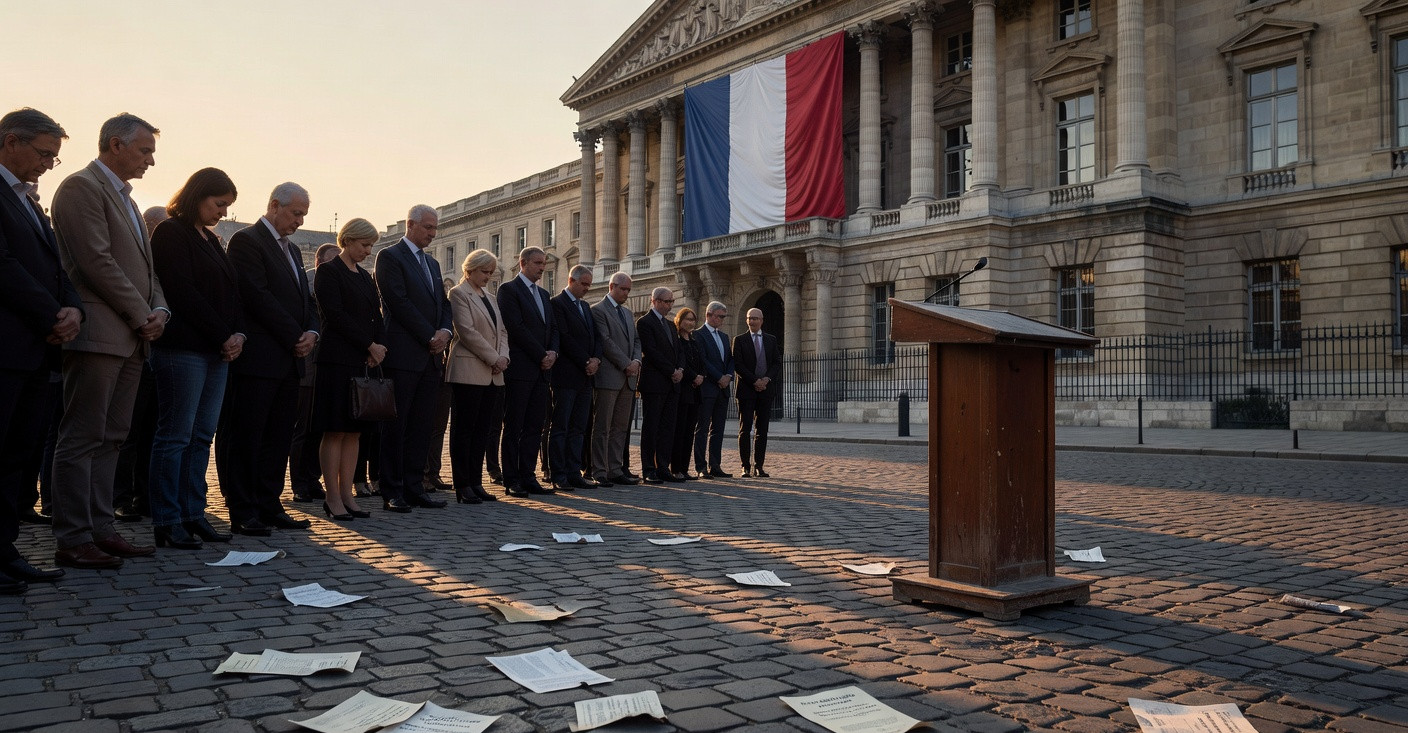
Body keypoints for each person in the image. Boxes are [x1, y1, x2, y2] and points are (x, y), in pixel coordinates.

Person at [49, 112, 168, 569]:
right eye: (145, 151)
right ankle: (73, 536)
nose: (151, 162)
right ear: (115, 145)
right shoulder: (81, 187)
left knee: (114, 436)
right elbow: (94, 262)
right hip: (100, 333)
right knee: (82, 436)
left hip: (134, 336)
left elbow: (147, 269)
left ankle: (101, 528)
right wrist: (142, 314)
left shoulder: (128, 199)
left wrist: (160, 309)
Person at [0, 107, 81, 593]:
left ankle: (4, 548)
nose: (49, 165)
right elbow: (4, 265)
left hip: (36, 351)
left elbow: (57, 268)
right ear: (12, 141)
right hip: (8, 346)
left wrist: (73, 308)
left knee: (18, 456)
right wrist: (53, 313)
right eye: (44, 154)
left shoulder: (29, 201)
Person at [146, 168, 244, 550]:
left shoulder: (213, 240)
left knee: (201, 436)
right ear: (198, 196)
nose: (222, 212)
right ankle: (167, 519)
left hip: (216, 352)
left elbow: (232, 294)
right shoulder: (172, 232)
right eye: (219, 204)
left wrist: (238, 334)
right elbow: (183, 292)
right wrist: (224, 334)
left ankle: (193, 513)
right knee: (175, 436)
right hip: (182, 349)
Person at [215, 182, 319, 536]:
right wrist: (295, 335)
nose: (300, 221)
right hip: (259, 360)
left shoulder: (291, 250)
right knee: (248, 435)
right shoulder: (247, 241)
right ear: (275, 205)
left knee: (278, 436)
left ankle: (270, 504)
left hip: (290, 360)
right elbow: (256, 296)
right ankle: (243, 509)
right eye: (296, 213)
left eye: (304, 214)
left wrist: (312, 332)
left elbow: (306, 300)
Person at [373, 204, 450, 512]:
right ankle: (392, 489)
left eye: (435, 229)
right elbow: (397, 301)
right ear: (411, 225)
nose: (433, 233)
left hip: (430, 358)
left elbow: (443, 302)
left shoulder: (432, 264)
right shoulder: (390, 257)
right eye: (428, 228)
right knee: (397, 425)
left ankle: (415, 486)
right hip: (404, 354)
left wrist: (445, 330)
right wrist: (429, 336)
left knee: (422, 425)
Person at [313, 218, 385, 520]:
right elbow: (336, 315)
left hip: (362, 360)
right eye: (364, 245)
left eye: (371, 245)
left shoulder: (365, 277)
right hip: (336, 359)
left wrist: (378, 347)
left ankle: (347, 495)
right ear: (348, 240)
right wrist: (368, 345)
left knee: (354, 431)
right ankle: (332, 496)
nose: (368, 251)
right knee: (335, 430)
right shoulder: (329, 272)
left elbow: (376, 313)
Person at [446, 249, 508, 504]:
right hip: (469, 369)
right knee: (464, 430)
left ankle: (476, 481)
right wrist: (495, 358)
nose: (488, 276)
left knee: (482, 430)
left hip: (493, 373)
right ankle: (462, 484)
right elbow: (467, 332)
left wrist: (503, 357)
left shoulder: (491, 297)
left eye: (491, 272)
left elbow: (502, 331)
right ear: (470, 269)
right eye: (485, 272)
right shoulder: (458, 293)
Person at [497, 246, 558, 497]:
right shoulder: (508, 290)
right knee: (514, 425)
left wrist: (553, 352)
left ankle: (528, 475)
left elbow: (552, 328)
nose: (542, 268)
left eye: (544, 263)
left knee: (535, 425)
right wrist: (541, 354)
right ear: (522, 263)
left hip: (543, 371)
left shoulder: (544, 295)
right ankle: (512, 477)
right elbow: (516, 327)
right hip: (521, 368)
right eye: (537, 263)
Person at [290, 242, 339, 503]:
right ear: (319, 263)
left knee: (320, 427)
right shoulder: (309, 284)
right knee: (303, 428)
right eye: (331, 262)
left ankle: (313, 478)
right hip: (308, 364)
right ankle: (299, 482)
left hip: (328, 365)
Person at [548, 265, 602, 491]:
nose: (587, 289)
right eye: (584, 284)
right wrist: (585, 361)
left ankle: (574, 471)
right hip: (567, 375)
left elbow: (596, 337)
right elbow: (565, 337)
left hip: (585, 378)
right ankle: (558, 474)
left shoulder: (585, 306)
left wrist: (596, 359)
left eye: (589, 285)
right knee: (561, 426)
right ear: (572, 280)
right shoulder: (557, 304)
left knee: (579, 427)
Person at [589, 272, 640, 487]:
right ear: (612, 286)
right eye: (623, 289)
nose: (626, 293)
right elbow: (605, 341)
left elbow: (636, 340)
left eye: (628, 290)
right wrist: (626, 363)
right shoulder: (598, 310)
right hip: (609, 376)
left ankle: (615, 469)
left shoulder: (628, 313)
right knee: (602, 426)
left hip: (628, 378)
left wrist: (637, 361)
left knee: (620, 427)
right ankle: (599, 470)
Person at [637, 287, 684, 484]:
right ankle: (649, 468)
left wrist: (680, 369)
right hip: (655, 383)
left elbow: (678, 350)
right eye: (666, 302)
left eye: (671, 302)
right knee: (651, 427)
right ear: (654, 301)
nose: (669, 305)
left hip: (672, 384)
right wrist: (671, 371)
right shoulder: (644, 322)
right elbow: (651, 351)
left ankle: (663, 467)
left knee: (667, 428)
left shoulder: (671, 325)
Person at [734, 307, 782, 477]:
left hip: (766, 391)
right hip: (747, 390)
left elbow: (776, 362)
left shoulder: (771, 339)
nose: (752, 321)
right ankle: (745, 466)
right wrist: (754, 380)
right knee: (745, 429)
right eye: (749, 318)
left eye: (755, 318)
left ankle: (759, 466)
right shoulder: (739, 340)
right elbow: (738, 365)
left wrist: (766, 379)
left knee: (762, 430)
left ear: (762, 320)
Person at [693, 301, 734, 477]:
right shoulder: (698, 335)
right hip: (708, 388)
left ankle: (715, 465)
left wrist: (729, 376)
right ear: (708, 315)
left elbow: (730, 360)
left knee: (718, 429)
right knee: (702, 429)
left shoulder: (724, 337)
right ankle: (701, 467)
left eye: (724, 317)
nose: (722, 320)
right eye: (720, 316)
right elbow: (703, 360)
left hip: (722, 390)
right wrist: (719, 377)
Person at [671, 307, 706, 479]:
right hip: (683, 390)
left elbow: (702, 362)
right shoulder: (677, 340)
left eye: (693, 320)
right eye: (687, 319)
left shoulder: (694, 341)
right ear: (679, 320)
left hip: (695, 391)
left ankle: (684, 468)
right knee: (679, 430)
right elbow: (681, 362)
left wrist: (701, 376)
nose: (690, 323)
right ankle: (676, 468)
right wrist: (693, 376)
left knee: (689, 432)